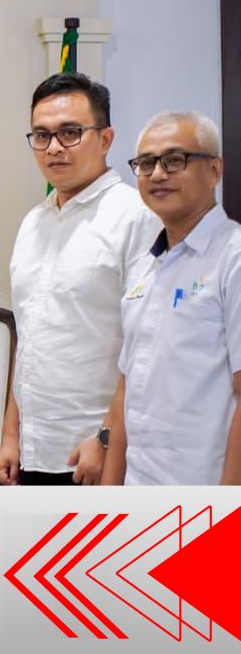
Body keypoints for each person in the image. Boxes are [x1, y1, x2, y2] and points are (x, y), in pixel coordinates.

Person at [0, 74, 159, 486]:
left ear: (105, 139)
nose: (54, 147)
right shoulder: (34, 222)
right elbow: (28, 340)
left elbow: (147, 347)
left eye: (70, 133)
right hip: (32, 450)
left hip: (99, 453)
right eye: (42, 135)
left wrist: (106, 438)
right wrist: (11, 435)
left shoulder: (136, 216)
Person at [101, 111, 241, 485]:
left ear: (214, 170)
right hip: (139, 488)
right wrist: (107, 497)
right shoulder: (144, 266)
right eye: (146, 164)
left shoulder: (233, 257)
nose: (157, 174)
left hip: (203, 493)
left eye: (174, 160)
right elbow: (127, 389)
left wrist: (227, 508)